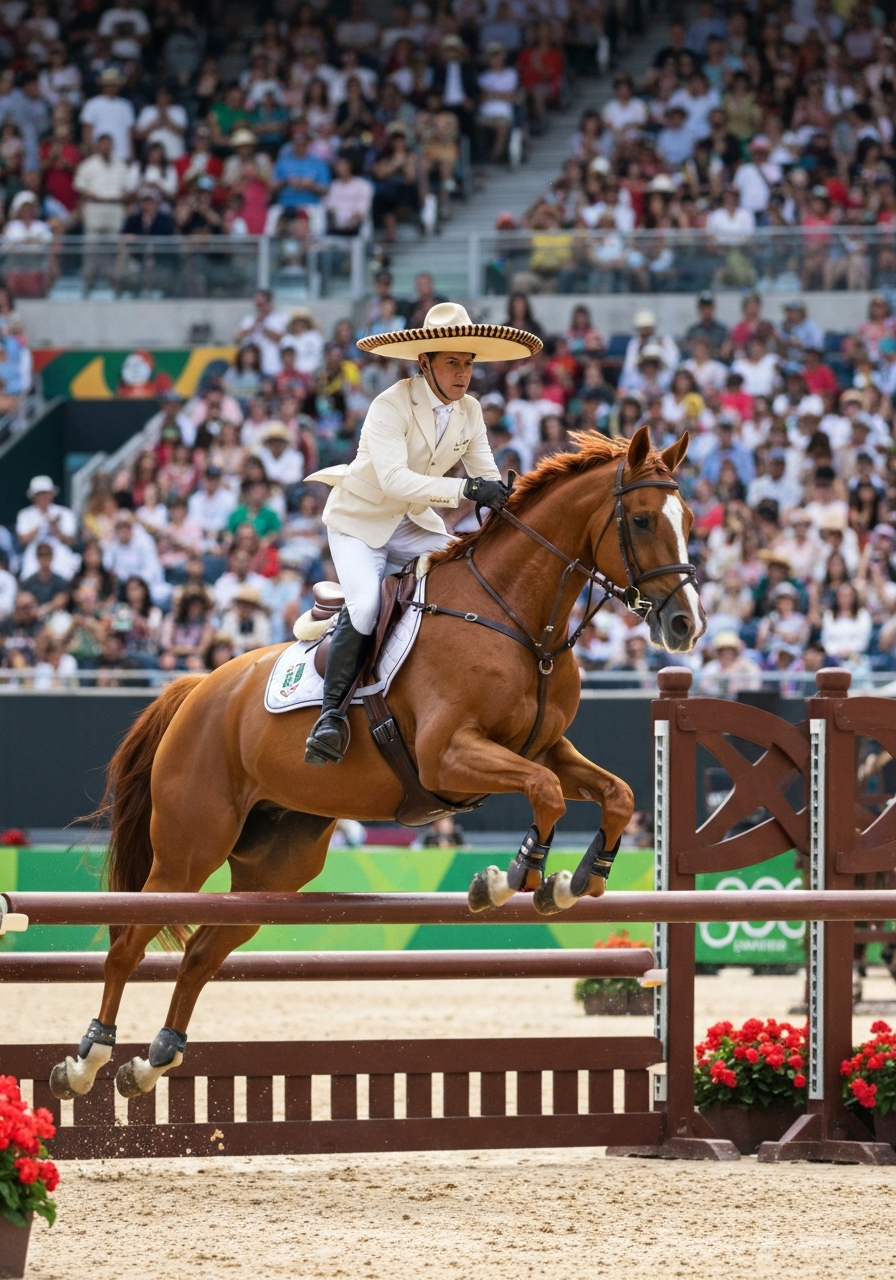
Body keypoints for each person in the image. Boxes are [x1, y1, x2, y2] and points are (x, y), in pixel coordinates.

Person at [303, 301, 541, 766]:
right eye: (453, 362)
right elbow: (393, 481)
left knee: (469, 577)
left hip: (414, 523)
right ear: (424, 363)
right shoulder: (389, 404)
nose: (464, 373)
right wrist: (468, 489)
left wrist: (511, 510)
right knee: (368, 604)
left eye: (469, 363)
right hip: (361, 523)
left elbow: (487, 476)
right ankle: (329, 717)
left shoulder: (469, 410)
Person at [16, 474, 78, 580]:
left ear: (52, 494)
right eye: (39, 494)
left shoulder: (65, 513)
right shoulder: (25, 514)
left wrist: (56, 529)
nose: (43, 497)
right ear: (33, 496)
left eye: (46, 493)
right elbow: (23, 541)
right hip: (34, 557)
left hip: (59, 556)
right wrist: (42, 522)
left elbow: (71, 541)